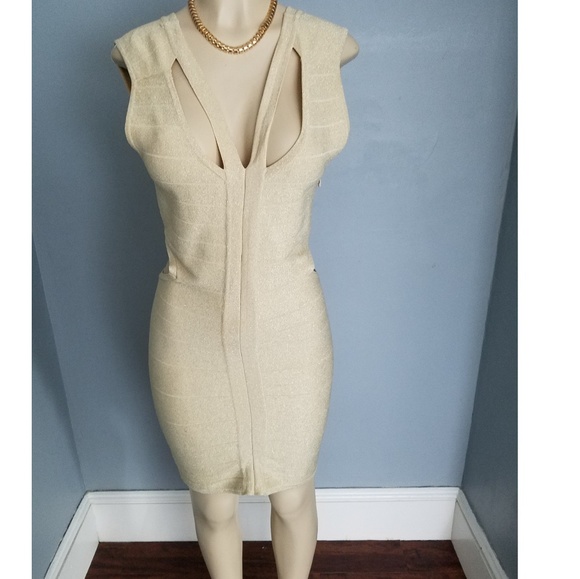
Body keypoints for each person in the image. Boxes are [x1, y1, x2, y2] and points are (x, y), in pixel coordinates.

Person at [112, 1, 358, 577]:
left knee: (294, 497)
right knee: (212, 506)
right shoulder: (141, 54)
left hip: (292, 331)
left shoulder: (326, 47)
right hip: (187, 332)